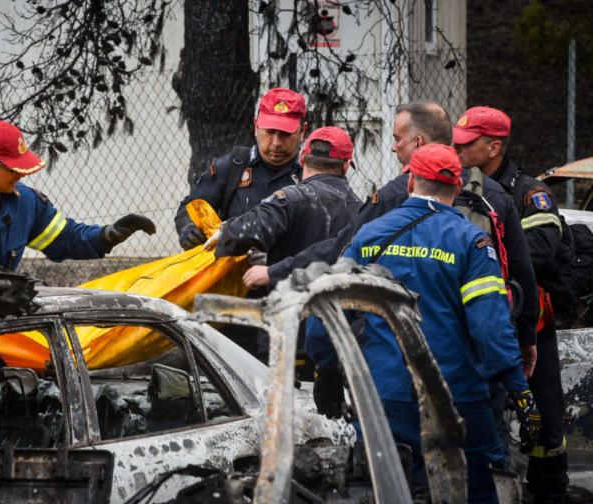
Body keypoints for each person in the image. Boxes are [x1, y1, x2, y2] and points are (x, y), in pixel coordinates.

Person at [247, 101, 539, 379]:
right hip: (478, 346)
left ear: (419, 143)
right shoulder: (492, 193)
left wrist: (274, 271)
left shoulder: (394, 194)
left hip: (404, 353)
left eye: (399, 139)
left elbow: (342, 251)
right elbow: (520, 268)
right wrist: (527, 338)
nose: (393, 145)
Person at [341, 144, 540, 504]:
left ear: (411, 180)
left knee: (385, 496)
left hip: (384, 396)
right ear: (459, 185)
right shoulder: (472, 241)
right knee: (479, 494)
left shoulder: (370, 235)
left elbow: (331, 306)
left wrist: (324, 371)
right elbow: (490, 329)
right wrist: (521, 393)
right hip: (457, 397)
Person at [453, 106, 569, 504]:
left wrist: (480, 263)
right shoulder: (454, 186)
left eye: (466, 144)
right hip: (474, 327)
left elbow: (540, 249)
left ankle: (549, 495)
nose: (457, 149)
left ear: (494, 146)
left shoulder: (528, 193)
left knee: (547, 425)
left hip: (529, 324)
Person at [207, 127, 361, 369]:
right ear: (346, 165)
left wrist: (226, 232)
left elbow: (240, 235)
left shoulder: (288, 199)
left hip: (286, 332)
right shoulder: (361, 211)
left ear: (302, 159)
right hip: (337, 334)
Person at [0, 120, 155, 270]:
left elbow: (65, 239)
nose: (20, 175)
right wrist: (10, 286)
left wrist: (106, 236)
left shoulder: (25, 202)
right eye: (12, 168)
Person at [174, 87, 307, 250]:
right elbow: (189, 208)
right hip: (233, 271)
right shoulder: (232, 167)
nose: (276, 142)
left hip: (290, 271)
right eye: (270, 132)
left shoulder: (311, 175)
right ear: (256, 126)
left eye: (285, 134)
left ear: (303, 131)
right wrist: (187, 228)